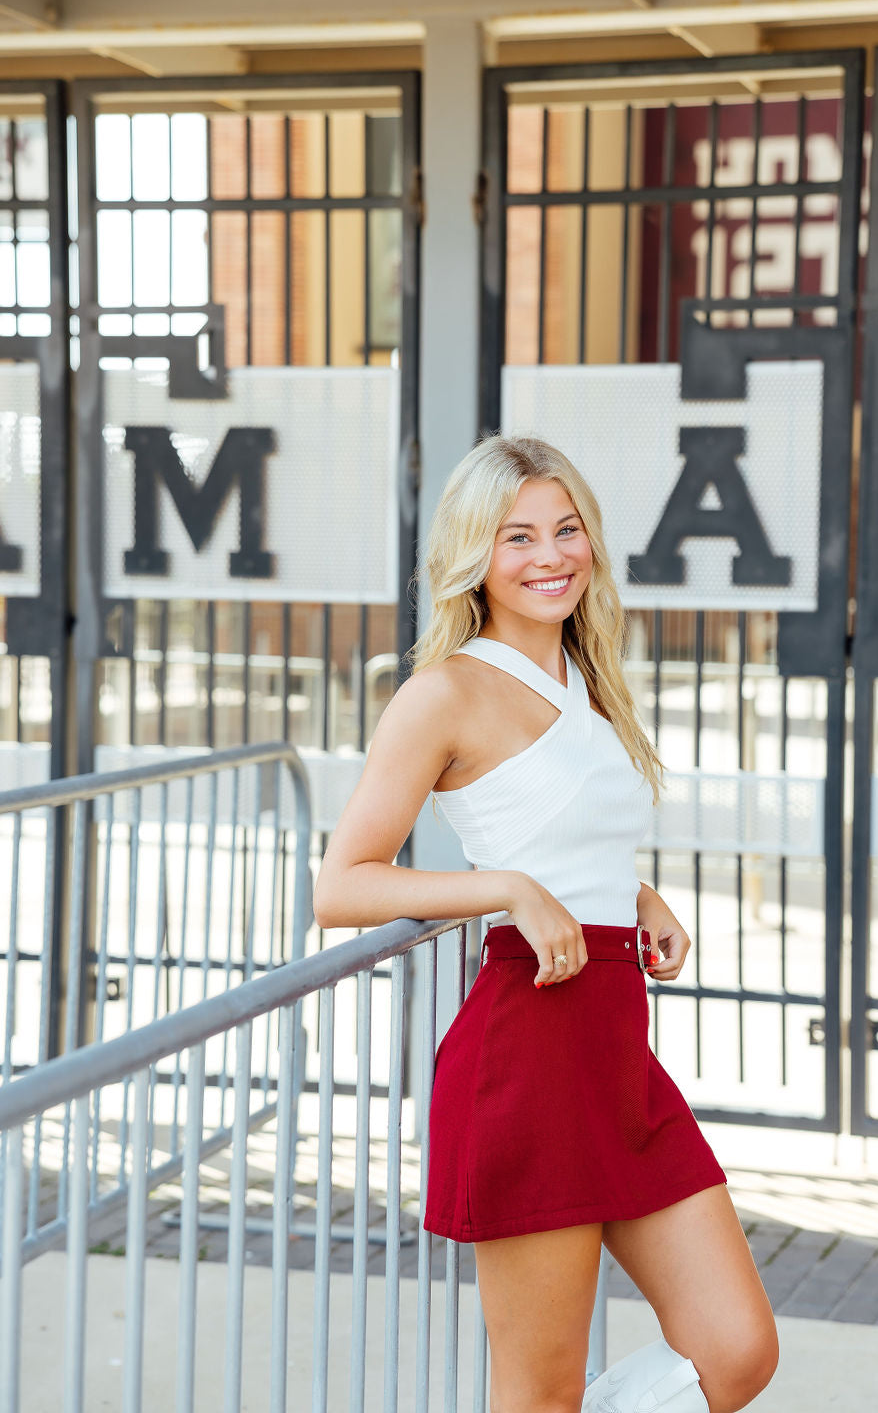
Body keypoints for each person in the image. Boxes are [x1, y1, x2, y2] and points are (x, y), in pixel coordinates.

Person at [313, 435, 778, 1413]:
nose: (548, 555)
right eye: (516, 536)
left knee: (736, 1350)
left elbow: (572, 832)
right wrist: (506, 888)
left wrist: (630, 895)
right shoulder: (442, 693)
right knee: (539, 1394)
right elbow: (342, 885)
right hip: (526, 1054)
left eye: (565, 529)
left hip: (614, 1054)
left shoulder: (585, 677)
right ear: (473, 556)